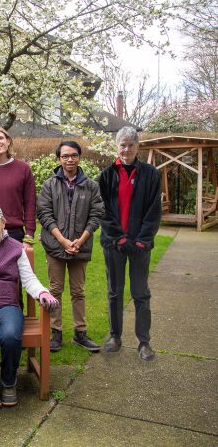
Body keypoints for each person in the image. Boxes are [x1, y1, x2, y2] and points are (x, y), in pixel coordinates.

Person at [0, 204, 58, 408]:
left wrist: (42, 293)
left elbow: (29, 278)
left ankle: (8, 382)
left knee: (10, 335)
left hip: (8, 304)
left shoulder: (16, 248)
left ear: (3, 223)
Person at [98, 127, 161, 361]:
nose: (126, 149)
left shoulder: (151, 175)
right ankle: (115, 336)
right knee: (115, 292)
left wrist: (143, 241)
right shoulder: (105, 175)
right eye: (122, 145)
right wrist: (120, 238)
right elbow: (103, 211)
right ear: (117, 146)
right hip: (114, 244)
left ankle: (144, 342)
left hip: (140, 246)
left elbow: (154, 212)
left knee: (140, 293)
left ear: (138, 146)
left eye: (130, 145)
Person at [37, 140, 104, 353]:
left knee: (78, 291)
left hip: (80, 247)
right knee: (55, 290)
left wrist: (80, 240)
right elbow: (44, 214)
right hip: (55, 247)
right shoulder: (50, 185)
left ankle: (80, 334)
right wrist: (63, 241)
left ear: (79, 157)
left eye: (73, 155)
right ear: (59, 159)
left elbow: (96, 215)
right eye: (65, 156)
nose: (69, 159)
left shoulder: (91, 186)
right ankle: (55, 332)